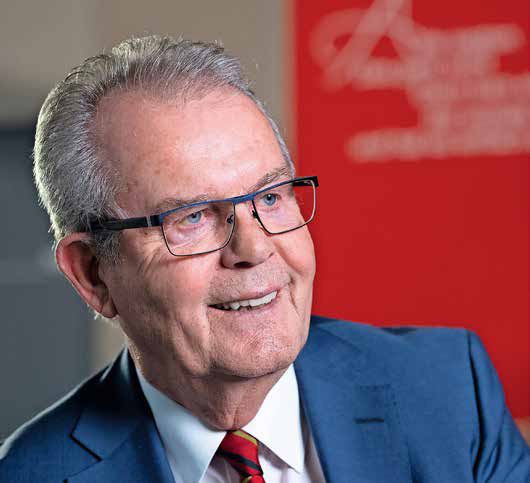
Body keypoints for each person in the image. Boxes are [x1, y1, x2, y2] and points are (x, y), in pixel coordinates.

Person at [0, 35, 528, 483]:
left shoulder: (449, 392)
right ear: (93, 274)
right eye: (192, 217)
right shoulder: (30, 473)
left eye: (271, 197)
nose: (253, 248)